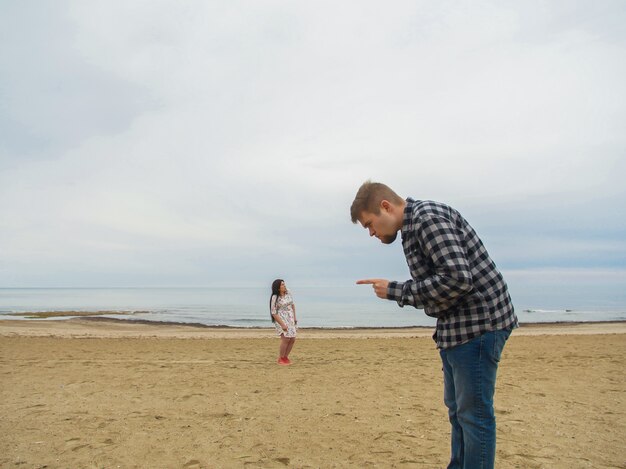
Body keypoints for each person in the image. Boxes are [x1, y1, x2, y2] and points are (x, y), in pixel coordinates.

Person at [351, 181, 518, 469]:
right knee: (458, 412)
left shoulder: (426, 219)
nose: (371, 233)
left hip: (478, 325)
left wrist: (395, 291)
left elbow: (457, 279)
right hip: (456, 330)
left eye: (370, 224)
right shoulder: (411, 228)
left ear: (385, 207)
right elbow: (441, 283)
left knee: (474, 415)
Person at [269, 279, 298, 366]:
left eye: (284, 284)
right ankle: (281, 358)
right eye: (282, 285)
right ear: (278, 288)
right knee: (286, 338)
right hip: (280, 318)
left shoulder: (288, 293)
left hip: (290, 318)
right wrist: (282, 324)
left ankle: (286, 357)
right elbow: (273, 312)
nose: (284, 286)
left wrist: (295, 317)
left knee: (292, 338)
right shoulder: (275, 297)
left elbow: (292, 305)